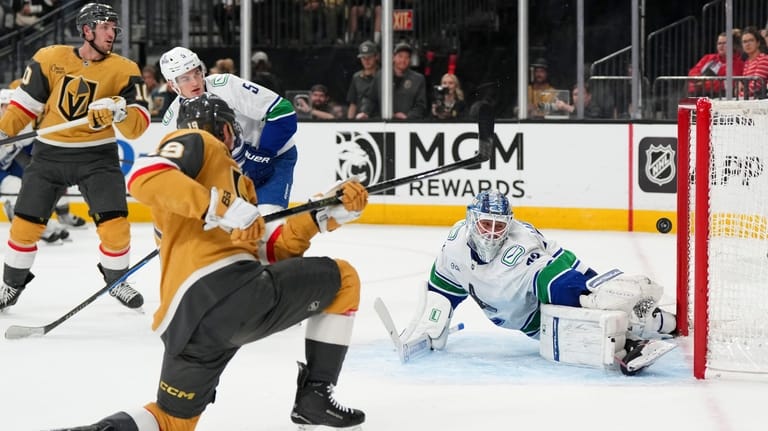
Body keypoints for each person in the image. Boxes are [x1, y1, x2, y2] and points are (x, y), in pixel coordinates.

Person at [56, 93, 367, 430]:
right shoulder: (200, 141)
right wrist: (222, 207)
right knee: (343, 279)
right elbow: (144, 175)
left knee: (172, 420)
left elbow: (268, 256)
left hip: (188, 322)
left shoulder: (236, 185)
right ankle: (315, 396)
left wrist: (321, 214)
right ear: (226, 130)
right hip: (225, 293)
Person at [397, 190, 677, 375]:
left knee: (578, 300)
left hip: (543, 301)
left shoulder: (519, 247)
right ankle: (654, 322)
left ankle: (661, 325)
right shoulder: (455, 245)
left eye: (499, 226)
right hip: (529, 323)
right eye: (486, 225)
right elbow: (443, 289)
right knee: (580, 322)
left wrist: (587, 291)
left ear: (509, 224)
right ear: (472, 222)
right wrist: (429, 324)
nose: (493, 234)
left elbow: (551, 278)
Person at [0, 2, 150, 311]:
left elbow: (138, 125)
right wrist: (2, 134)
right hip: (48, 157)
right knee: (24, 226)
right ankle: (11, 285)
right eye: (106, 26)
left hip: (98, 158)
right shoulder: (49, 58)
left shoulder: (125, 69)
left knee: (116, 226)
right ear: (86, 30)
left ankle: (117, 280)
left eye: (113, 27)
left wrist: (120, 110)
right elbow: (24, 106)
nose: (113, 33)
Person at [159, 46, 298, 264]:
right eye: (185, 78)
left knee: (269, 229)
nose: (195, 82)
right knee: (231, 243)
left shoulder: (227, 86)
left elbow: (284, 112)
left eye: (196, 72)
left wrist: (263, 155)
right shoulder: (172, 121)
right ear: (171, 84)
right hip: (230, 175)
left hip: (274, 161)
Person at [0, 88, 72, 243]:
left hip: (7, 166)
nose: (10, 110)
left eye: (13, 107)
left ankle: (39, 224)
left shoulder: (22, 126)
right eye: (6, 106)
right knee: (15, 187)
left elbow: (30, 150)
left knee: (36, 182)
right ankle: (34, 228)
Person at [358, 42, 427, 120]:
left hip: (408, 126)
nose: (403, 60)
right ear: (393, 57)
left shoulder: (418, 79)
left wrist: (408, 117)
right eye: (400, 56)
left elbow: (421, 105)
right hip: (384, 124)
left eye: (407, 57)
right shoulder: (381, 75)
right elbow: (370, 98)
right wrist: (365, 112)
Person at [687, 30, 744, 97]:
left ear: (733, 45)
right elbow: (693, 72)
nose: (721, 46)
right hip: (695, 94)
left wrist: (704, 84)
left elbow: (730, 83)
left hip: (720, 97)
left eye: (725, 43)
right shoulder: (708, 58)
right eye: (719, 43)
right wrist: (698, 79)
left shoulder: (739, 63)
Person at [346, 40, 378, 119]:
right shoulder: (356, 77)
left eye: (369, 57)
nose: (366, 61)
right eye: (363, 58)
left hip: (379, 119)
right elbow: (353, 103)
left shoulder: (382, 76)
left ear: (376, 57)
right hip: (360, 120)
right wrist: (349, 123)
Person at [739, 27, 768, 99]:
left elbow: (755, 85)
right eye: (744, 42)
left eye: (751, 40)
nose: (747, 44)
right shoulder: (747, 62)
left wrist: (740, 94)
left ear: (758, 43)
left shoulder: (764, 59)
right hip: (747, 99)